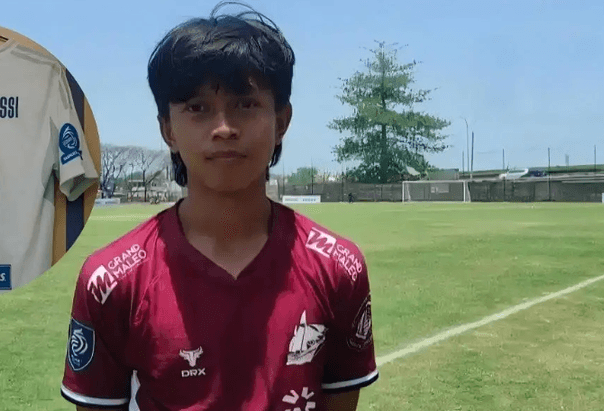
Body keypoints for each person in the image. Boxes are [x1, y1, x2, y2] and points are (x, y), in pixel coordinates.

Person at [60, 2, 378, 410]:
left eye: (246, 104)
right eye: (198, 108)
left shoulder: (338, 268)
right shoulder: (111, 282)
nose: (224, 128)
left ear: (282, 121)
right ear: (168, 129)